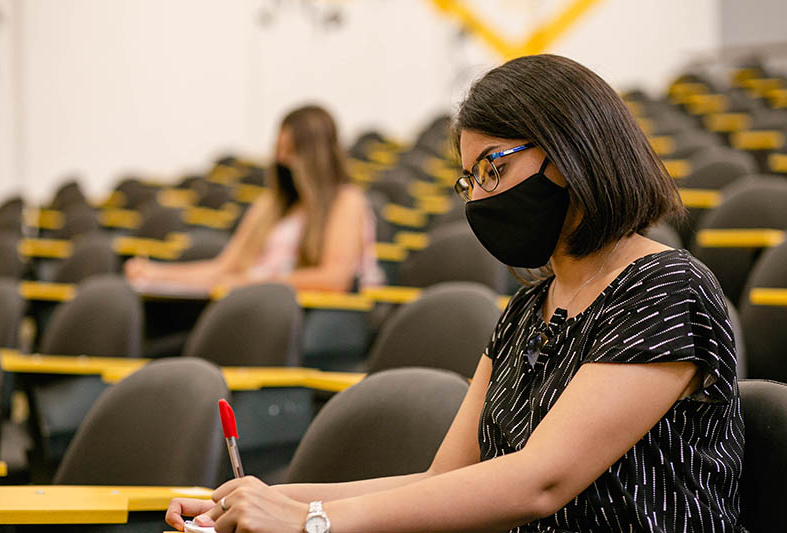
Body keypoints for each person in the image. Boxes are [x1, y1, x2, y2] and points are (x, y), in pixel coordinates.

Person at [165, 55, 746, 532]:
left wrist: (310, 521)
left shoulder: (665, 290)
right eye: (470, 180)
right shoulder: (526, 311)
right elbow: (440, 482)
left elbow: (539, 481)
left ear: (570, 154)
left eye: (492, 169)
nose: (478, 198)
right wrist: (262, 500)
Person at [124, 105, 383, 292]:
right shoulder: (271, 204)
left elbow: (334, 279)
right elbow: (224, 268)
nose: (282, 161)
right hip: (255, 303)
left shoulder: (346, 201)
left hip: (304, 315)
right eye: (280, 152)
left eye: (292, 153)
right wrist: (157, 273)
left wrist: (253, 283)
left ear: (314, 156)